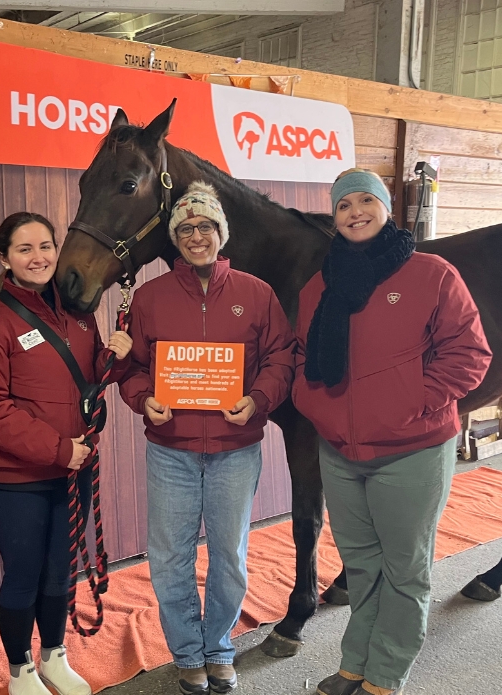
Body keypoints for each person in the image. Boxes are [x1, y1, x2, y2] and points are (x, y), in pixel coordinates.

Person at [292, 169, 492, 695]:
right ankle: (354, 663)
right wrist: (313, 405)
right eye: (343, 205)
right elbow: (300, 356)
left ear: (385, 208)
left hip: (412, 449)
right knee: (361, 564)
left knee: (405, 567)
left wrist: (412, 404)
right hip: (340, 451)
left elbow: (469, 355)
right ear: (333, 217)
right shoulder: (320, 285)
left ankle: (385, 675)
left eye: (366, 201)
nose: (355, 211)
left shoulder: (432, 274)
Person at [118, 182, 296, 695]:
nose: (197, 236)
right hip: (169, 450)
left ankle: (218, 647)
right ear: (175, 238)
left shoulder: (255, 293)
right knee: (170, 555)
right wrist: (142, 397)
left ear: (222, 233)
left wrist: (258, 400)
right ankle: (186, 653)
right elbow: (128, 366)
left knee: (229, 554)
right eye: (186, 229)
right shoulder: (149, 297)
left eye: (206, 227)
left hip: (234, 449)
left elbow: (281, 356)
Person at [0, 212, 132, 695]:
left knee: (61, 567)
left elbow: (86, 379)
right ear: (4, 259)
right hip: (15, 477)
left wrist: (112, 356)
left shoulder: (78, 313)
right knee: (25, 571)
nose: (38, 258)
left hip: (70, 468)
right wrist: (59, 449)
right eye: (24, 249)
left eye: (45, 247)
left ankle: (54, 655)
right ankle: (20, 672)